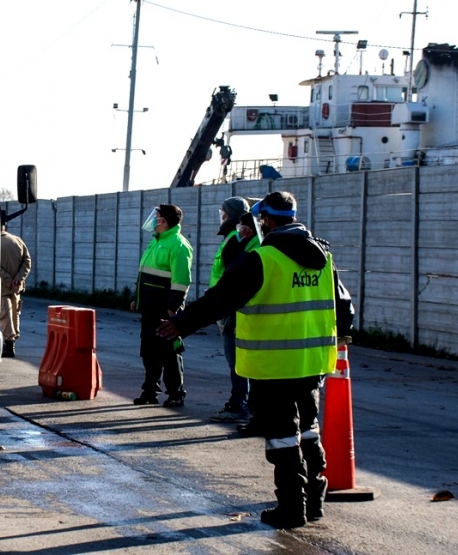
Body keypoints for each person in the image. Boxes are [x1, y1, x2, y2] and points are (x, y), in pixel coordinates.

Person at [156, 191, 349, 529]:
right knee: (308, 430)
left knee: (282, 437)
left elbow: (221, 299)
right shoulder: (323, 256)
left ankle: (292, 508)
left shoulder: (262, 258)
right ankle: (314, 502)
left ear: (267, 221)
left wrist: (181, 324)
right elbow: (343, 306)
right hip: (313, 362)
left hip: (274, 364)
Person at [129, 204, 193, 408]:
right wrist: (136, 299)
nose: (153, 220)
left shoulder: (178, 244)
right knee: (148, 351)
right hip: (149, 308)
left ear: (164, 220)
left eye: (156, 217)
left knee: (169, 353)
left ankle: (176, 393)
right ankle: (150, 391)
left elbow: (181, 280)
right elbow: (144, 275)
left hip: (165, 309)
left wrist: (173, 307)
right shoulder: (156, 242)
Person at [208, 197, 259, 424]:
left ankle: (239, 404)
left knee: (236, 360)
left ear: (228, 215)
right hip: (235, 307)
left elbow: (230, 276)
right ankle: (247, 404)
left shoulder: (235, 239)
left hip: (231, 308)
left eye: (223, 212)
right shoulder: (245, 236)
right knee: (242, 360)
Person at [0, 213, 31, 358]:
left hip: (3, 287)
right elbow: (27, 262)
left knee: (5, 315)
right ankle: (13, 342)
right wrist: (18, 279)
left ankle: (9, 345)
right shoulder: (18, 241)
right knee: (15, 314)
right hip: (16, 287)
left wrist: (7, 279)